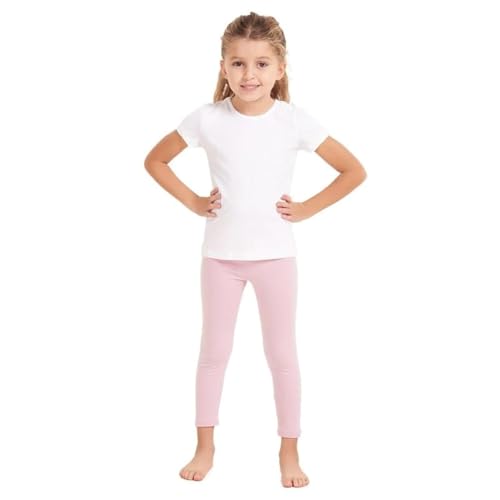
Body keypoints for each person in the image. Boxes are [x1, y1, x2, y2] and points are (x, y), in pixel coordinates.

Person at [144, 11, 367, 488]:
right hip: (220, 258)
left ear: (280, 69)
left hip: (275, 258)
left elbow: (353, 170)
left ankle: (289, 451)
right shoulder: (206, 119)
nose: (250, 75)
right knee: (214, 352)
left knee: (282, 355)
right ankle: (205, 446)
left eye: (262, 64)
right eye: (239, 63)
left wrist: (306, 209)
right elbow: (156, 160)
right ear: (223, 67)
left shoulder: (294, 121)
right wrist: (193, 201)